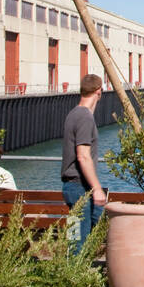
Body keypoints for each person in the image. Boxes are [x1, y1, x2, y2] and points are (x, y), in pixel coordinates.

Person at [62, 74, 106, 254]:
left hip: (72, 187)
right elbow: (83, 156)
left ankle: (76, 272)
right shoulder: (85, 117)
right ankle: (75, 275)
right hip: (79, 187)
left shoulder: (73, 114)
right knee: (77, 242)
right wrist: (97, 188)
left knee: (77, 236)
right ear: (99, 91)